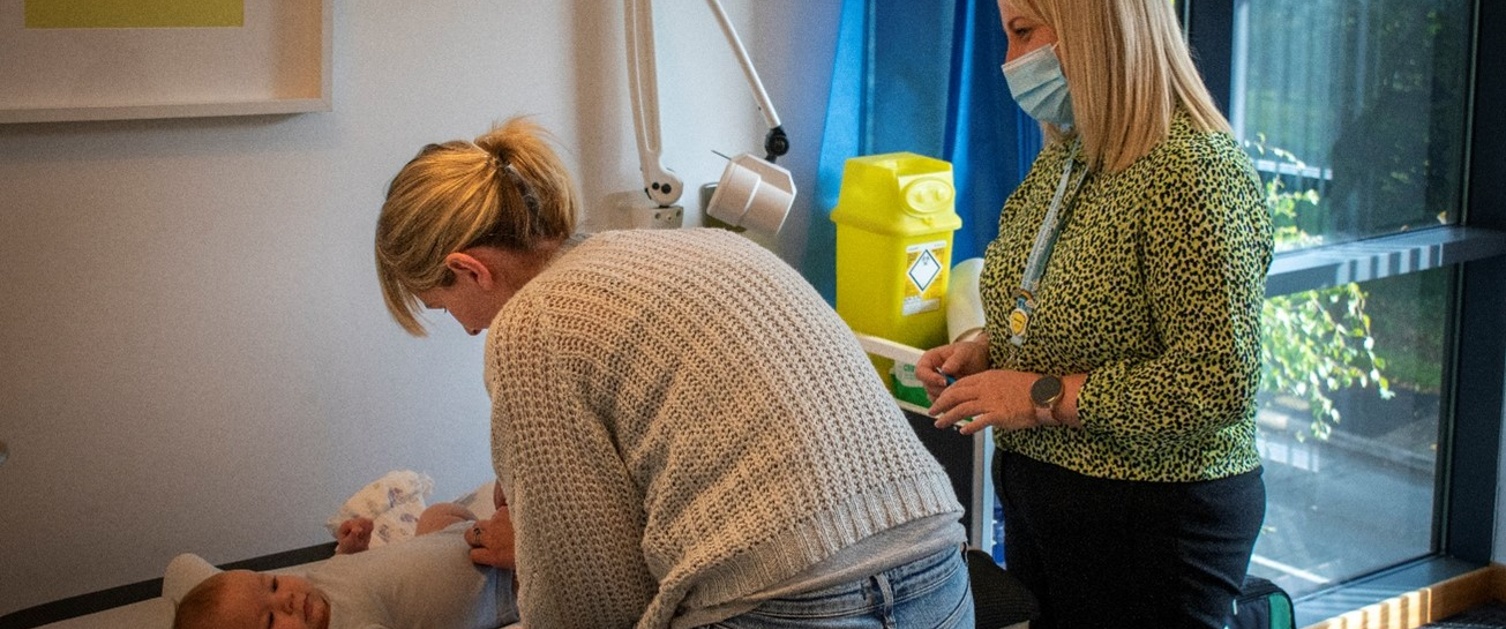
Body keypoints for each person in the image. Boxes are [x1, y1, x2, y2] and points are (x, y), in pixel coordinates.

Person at [372, 116, 974, 629]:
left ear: (469, 270)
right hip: (941, 568)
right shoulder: (709, 246)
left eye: (442, 306)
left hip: (788, 597)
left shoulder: (533, 322)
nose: (468, 328)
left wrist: (537, 555)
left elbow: (594, 603)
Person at [916, 1, 1274, 627]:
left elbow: (1218, 381)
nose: (1009, 61)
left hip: (1154, 524)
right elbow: (1053, 302)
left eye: (1023, 32)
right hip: (1053, 508)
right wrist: (988, 346)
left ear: (1093, 30)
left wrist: (1037, 395)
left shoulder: (1192, 173)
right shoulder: (1072, 157)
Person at [172, 501, 520, 629]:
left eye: (273, 584)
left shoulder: (311, 580)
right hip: (495, 586)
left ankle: (489, 526)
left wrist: (352, 549)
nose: (288, 599)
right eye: (270, 621)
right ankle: (512, 541)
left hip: (449, 539)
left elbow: (342, 572)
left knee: (435, 514)